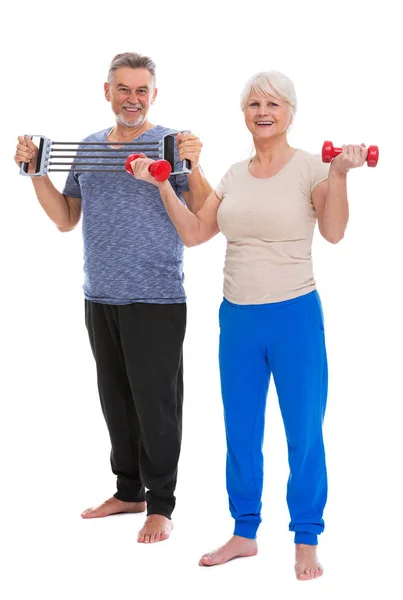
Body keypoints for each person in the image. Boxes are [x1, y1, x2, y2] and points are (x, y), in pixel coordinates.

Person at [130, 70, 369, 576]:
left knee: (303, 431)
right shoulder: (234, 175)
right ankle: (244, 531)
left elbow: (333, 233)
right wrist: (162, 187)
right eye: (254, 102)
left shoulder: (312, 168)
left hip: (294, 317)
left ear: (290, 113)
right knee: (240, 431)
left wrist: (342, 175)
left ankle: (306, 536)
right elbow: (196, 234)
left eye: (274, 103)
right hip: (236, 317)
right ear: (244, 113)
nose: (263, 110)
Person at [14, 52, 212, 544]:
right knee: (115, 401)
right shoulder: (86, 148)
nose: (132, 99)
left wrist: (194, 162)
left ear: (154, 95)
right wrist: (35, 171)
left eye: (141, 90)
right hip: (99, 294)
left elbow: (206, 211)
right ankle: (129, 491)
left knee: (156, 405)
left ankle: (161, 504)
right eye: (123, 89)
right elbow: (65, 218)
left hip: (155, 298)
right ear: (107, 92)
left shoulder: (169, 143)